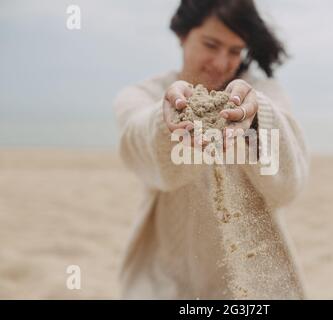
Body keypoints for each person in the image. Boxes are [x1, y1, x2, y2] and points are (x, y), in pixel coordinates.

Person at [113, 0, 310, 299]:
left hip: (255, 284)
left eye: (234, 51)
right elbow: (142, 148)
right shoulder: (143, 96)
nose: (221, 63)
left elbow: (288, 188)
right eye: (211, 44)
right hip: (167, 282)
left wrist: (257, 120)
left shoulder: (263, 95)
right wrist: (168, 122)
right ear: (182, 36)